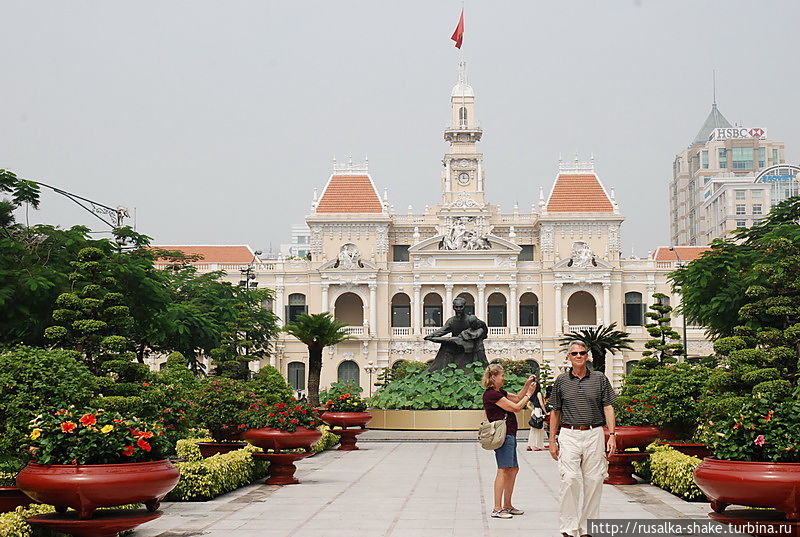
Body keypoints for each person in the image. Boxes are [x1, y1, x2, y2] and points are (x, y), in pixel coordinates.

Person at [549, 342, 618, 537]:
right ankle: (568, 527)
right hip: (569, 433)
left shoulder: (600, 379)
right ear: (568, 357)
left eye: (582, 353)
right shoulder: (561, 381)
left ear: (587, 356)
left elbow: (608, 407)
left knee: (594, 480)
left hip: (594, 433)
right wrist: (552, 440)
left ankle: (588, 527)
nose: (578, 356)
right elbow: (555, 411)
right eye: (574, 353)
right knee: (570, 479)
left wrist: (612, 435)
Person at [482, 364, 536, 519]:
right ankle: (497, 508)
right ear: (493, 377)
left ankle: (508, 505)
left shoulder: (500, 392)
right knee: (503, 469)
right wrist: (529, 395)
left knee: (513, 469)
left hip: (510, 434)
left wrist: (526, 385)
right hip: (503, 436)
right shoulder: (492, 394)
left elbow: (517, 397)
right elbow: (517, 407)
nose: (504, 378)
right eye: (502, 375)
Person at [525, 379, 546, 451]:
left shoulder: (532, 395)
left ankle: (530, 445)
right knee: (539, 429)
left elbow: (528, 405)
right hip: (538, 412)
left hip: (534, 412)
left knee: (533, 429)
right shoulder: (539, 393)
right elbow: (541, 404)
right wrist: (545, 412)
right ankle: (536, 445)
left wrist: (533, 410)